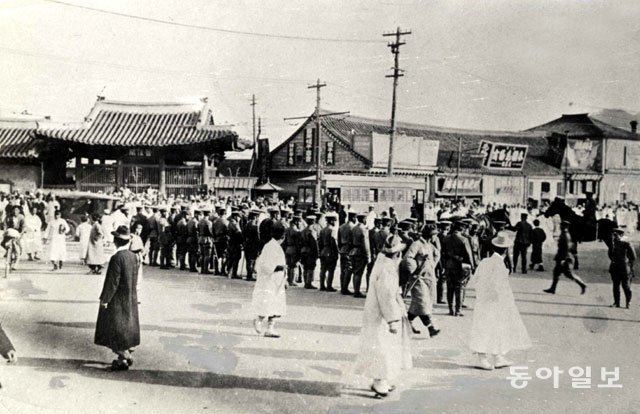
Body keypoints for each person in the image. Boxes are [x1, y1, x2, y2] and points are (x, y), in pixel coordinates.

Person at [352, 234, 412, 398]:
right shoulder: (387, 269)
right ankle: (380, 380)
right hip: (383, 315)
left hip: (378, 313)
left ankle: (381, 378)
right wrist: (392, 319)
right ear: (397, 254)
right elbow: (386, 295)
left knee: (383, 346)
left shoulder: (383, 263)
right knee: (382, 348)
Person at [469, 231, 532, 370]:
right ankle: (484, 358)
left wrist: (482, 295)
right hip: (495, 302)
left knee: (491, 327)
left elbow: (476, 279)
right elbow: (498, 286)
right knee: (489, 328)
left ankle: (496, 356)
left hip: (485, 301)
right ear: (506, 250)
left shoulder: (486, 261)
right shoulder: (498, 264)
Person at [94, 225, 140, 371]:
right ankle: (123, 358)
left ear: (115, 241)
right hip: (130, 297)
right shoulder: (134, 257)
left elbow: (112, 282)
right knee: (127, 327)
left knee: (112, 329)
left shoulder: (116, 258)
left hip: (117, 300)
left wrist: (105, 299)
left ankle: (125, 355)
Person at [404, 224, 441, 337]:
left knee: (418, 305)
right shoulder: (417, 244)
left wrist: (431, 265)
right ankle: (431, 328)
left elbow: (436, 256)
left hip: (428, 278)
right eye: (435, 235)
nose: (436, 237)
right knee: (422, 302)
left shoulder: (430, 246)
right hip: (418, 278)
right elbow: (407, 258)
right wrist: (415, 270)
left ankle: (406, 323)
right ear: (430, 235)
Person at [251, 223, 287, 338]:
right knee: (268, 303)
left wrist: (285, 279)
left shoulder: (275, 246)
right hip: (270, 281)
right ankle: (259, 319)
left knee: (276, 305)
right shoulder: (270, 247)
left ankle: (270, 329)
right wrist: (279, 267)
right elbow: (265, 266)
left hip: (278, 280)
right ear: (283, 237)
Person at [544, 220, 587, 295]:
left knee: (569, 274)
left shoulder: (565, 235)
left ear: (566, 227)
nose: (560, 226)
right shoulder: (564, 234)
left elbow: (567, 248)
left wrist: (563, 259)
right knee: (556, 273)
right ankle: (553, 288)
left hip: (564, 258)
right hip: (562, 257)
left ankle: (582, 284)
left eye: (562, 225)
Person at [441, 221, 473, 316]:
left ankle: (451, 309)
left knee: (450, 287)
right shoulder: (464, 239)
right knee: (460, 288)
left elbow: (443, 253)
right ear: (462, 229)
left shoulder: (446, 238)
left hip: (448, 265)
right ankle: (458, 310)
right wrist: (472, 266)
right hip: (460, 266)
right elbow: (468, 254)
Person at [608, 226, 635, 309]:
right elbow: (610, 255)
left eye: (616, 235)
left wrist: (630, 266)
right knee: (616, 285)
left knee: (625, 285)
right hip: (615, 267)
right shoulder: (612, 245)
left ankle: (628, 302)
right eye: (613, 235)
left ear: (621, 235)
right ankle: (617, 302)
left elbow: (633, 256)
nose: (614, 237)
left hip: (624, 267)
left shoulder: (626, 244)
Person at [349, 212, 371, 298]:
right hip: (360, 252)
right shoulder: (363, 230)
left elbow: (350, 241)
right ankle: (357, 292)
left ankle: (356, 290)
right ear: (364, 219)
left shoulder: (354, 228)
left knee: (355, 272)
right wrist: (368, 255)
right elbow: (366, 244)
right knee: (359, 272)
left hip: (353, 251)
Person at [318, 212, 339, 291]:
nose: (335, 222)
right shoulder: (332, 230)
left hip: (323, 251)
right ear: (331, 221)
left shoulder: (322, 230)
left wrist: (320, 251)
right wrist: (336, 253)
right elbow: (333, 243)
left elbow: (319, 242)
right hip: (330, 252)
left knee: (323, 269)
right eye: (334, 221)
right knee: (331, 270)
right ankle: (329, 286)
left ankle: (322, 285)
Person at [338, 210, 356, 295]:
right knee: (349, 269)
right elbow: (353, 240)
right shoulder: (353, 227)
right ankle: (345, 288)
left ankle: (342, 287)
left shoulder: (341, 226)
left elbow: (338, 241)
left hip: (342, 249)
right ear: (353, 217)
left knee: (342, 270)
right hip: (349, 250)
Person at [300, 214, 320, 289]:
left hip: (303, 250)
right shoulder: (312, 231)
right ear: (313, 221)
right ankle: (309, 283)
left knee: (305, 266)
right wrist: (317, 253)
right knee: (311, 266)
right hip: (310, 250)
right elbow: (314, 243)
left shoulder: (303, 230)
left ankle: (305, 282)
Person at [243, 209, 261, 281]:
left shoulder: (246, 225)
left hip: (247, 244)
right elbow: (257, 238)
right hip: (253, 245)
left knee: (248, 260)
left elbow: (243, 235)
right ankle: (250, 275)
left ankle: (248, 274)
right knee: (252, 260)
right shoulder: (255, 227)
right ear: (256, 217)